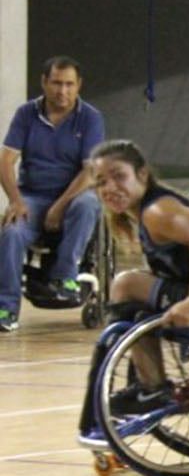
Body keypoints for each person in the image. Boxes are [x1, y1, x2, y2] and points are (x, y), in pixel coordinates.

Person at [88, 140, 189, 416]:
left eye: (119, 176)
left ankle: (152, 387)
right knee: (135, 296)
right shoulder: (148, 211)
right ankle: (148, 385)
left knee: (125, 284)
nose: (110, 188)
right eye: (101, 182)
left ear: (142, 175)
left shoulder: (157, 211)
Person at [0, 56, 106, 331]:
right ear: (44, 83)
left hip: (71, 198)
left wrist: (59, 206)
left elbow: (90, 172)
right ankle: (6, 309)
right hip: (33, 197)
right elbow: (6, 161)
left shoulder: (90, 118)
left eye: (70, 84)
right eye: (57, 83)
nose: (63, 91)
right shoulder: (27, 114)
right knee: (11, 232)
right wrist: (15, 200)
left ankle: (65, 278)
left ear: (79, 85)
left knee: (88, 204)